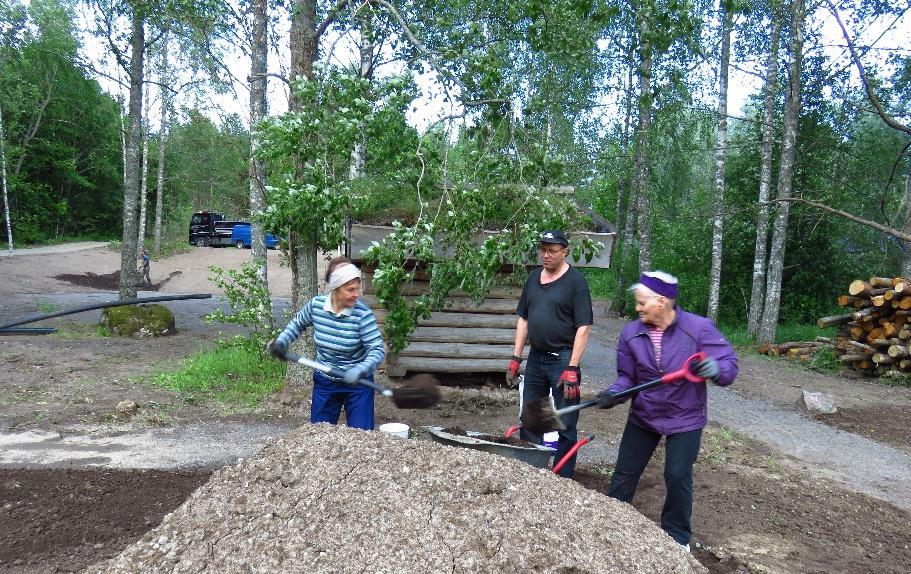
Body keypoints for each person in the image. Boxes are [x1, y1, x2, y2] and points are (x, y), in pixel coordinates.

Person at [597, 271, 738, 552]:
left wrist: (714, 368)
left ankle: (676, 539)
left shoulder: (698, 329)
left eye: (641, 302)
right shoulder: (631, 333)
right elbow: (628, 377)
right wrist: (614, 393)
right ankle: (608, 525)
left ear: (662, 301)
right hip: (644, 415)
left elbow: (729, 365)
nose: (637, 308)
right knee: (624, 474)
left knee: (677, 475)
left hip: (685, 416)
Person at [508, 230, 593, 478]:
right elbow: (523, 319)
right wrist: (515, 357)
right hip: (536, 357)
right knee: (533, 417)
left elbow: (583, 327)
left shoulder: (576, 282)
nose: (546, 255)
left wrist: (573, 367)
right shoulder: (534, 278)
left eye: (552, 251)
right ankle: (531, 472)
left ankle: (563, 477)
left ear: (565, 251)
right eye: (543, 249)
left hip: (564, 359)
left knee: (565, 420)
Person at [268, 256, 386, 430]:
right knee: (319, 434)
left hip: (358, 385)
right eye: (350, 289)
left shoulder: (363, 315)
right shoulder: (316, 306)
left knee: (362, 438)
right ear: (336, 289)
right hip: (326, 382)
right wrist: (282, 342)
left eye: (357, 288)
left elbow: (377, 350)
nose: (356, 294)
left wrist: (359, 370)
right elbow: (297, 323)